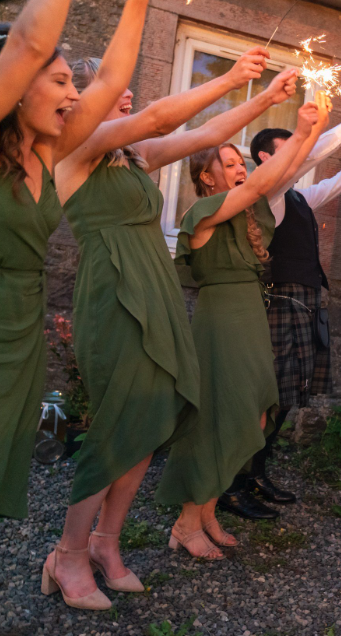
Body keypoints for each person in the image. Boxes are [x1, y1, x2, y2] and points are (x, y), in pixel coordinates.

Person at [50, 46, 297, 603]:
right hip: (115, 293)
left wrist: (262, 98)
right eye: (110, 85)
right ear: (80, 101)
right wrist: (229, 77)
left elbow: (205, 133)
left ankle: (106, 544)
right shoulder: (74, 147)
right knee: (118, 422)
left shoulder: (132, 157)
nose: (127, 91)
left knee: (152, 419)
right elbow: (161, 117)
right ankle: (67, 554)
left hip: (153, 291)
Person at [216, 100, 341, 521]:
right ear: (266, 157)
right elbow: (314, 153)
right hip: (278, 305)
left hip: (303, 306)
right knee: (264, 399)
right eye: (292, 148)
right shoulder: (268, 194)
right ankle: (230, 487)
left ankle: (255, 474)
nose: (300, 153)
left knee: (283, 400)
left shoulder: (298, 197)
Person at [157, 100, 325, 560]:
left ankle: (208, 511)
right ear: (207, 177)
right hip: (223, 319)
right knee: (219, 418)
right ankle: (186, 522)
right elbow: (263, 182)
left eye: (240, 162)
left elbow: (281, 174)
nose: (240, 169)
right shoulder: (204, 211)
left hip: (250, 314)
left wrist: (313, 132)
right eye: (228, 163)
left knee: (255, 414)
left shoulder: (248, 216)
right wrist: (301, 132)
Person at [0, 0, 122, 523]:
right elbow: (30, 42)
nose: (75, 94)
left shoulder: (45, 152)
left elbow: (111, 81)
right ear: (17, 81)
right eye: (60, 81)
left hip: (22, 324)